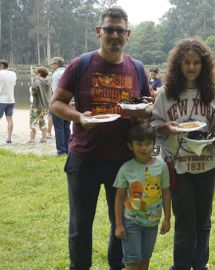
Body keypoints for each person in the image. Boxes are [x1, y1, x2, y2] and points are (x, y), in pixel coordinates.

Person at [49, 6, 152, 270]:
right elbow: (57, 103)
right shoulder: (81, 64)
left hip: (123, 160)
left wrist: (145, 111)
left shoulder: (137, 68)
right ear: (99, 31)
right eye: (109, 29)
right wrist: (79, 117)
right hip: (85, 157)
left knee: (121, 220)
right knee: (80, 223)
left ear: (127, 35)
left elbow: (147, 105)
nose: (114, 35)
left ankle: (116, 266)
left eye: (120, 31)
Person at [150, 37, 215, 270]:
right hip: (178, 164)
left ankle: (200, 264)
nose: (191, 67)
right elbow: (153, 124)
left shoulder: (213, 94)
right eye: (186, 62)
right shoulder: (166, 93)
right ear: (178, 65)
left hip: (207, 164)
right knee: (184, 220)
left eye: (196, 63)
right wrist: (167, 127)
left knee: (203, 220)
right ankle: (180, 265)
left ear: (204, 66)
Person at [113, 122, 171, 270]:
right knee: (132, 263)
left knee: (145, 261)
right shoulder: (126, 168)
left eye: (148, 143)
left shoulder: (161, 167)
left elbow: (165, 193)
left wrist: (167, 218)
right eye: (139, 144)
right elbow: (119, 198)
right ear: (130, 146)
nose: (144, 148)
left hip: (152, 224)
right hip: (131, 223)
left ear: (153, 144)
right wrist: (119, 224)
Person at [49, 56, 70, 155]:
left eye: (52, 64)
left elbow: (54, 91)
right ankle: (68, 149)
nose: (51, 66)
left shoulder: (56, 74)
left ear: (56, 64)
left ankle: (61, 151)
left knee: (58, 127)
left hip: (58, 103)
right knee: (66, 127)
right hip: (69, 103)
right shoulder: (68, 71)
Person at [29, 66, 51, 143]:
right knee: (43, 121)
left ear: (39, 74)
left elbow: (33, 93)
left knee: (33, 122)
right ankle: (44, 138)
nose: (35, 75)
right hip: (46, 106)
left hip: (37, 105)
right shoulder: (48, 82)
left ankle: (32, 139)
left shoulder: (36, 82)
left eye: (36, 73)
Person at [0, 59, 17, 144]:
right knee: (9, 119)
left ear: (1, 65)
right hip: (11, 100)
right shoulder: (13, 74)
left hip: (1, 100)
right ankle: (9, 139)